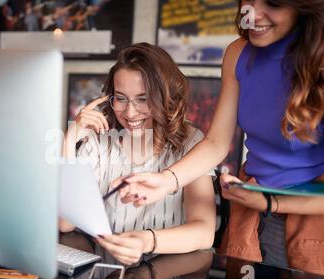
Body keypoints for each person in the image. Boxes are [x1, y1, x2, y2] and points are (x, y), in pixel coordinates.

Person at [112, 0, 324, 275]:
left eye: (271, 3)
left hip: (311, 213)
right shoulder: (238, 53)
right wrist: (165, 181)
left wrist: (272, 203)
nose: (252, 14)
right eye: (247, 0)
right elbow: (217, 142)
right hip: (254, 199)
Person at [59, 43, 216, 266]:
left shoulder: (191, 143)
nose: (130, 113)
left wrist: (145, 241)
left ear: (166, 96)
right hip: (107, 274)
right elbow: (65, 223)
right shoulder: (98, 144)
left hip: (168, 273)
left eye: (143, 99)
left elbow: (204, 232)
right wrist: (69, 139)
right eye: (120, 98)